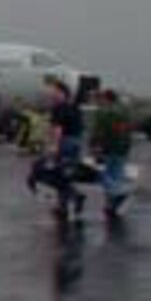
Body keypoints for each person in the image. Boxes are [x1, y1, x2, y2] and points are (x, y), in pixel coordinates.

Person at [43, 78, 87, 216]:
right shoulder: (74, 107)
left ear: (62, 92)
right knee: (66, 174)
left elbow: (58, 128)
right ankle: (62, 206)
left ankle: (75, 195)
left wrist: (53, 146)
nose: (51, 94)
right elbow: (81, 127)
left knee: (56, 174)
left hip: (64, 143)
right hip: (76, 142)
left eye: (54, 92)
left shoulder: (59, 108)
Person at [89, 87, 135, 215]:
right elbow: (128, 129)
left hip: (107, 147)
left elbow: (98, 131)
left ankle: (116, 195)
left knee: (103, 175)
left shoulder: (103, 112)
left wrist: (94, 146)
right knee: (117, 175)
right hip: (122, 148)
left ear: (106, 98)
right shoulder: (125, 111)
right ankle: (112, 204)